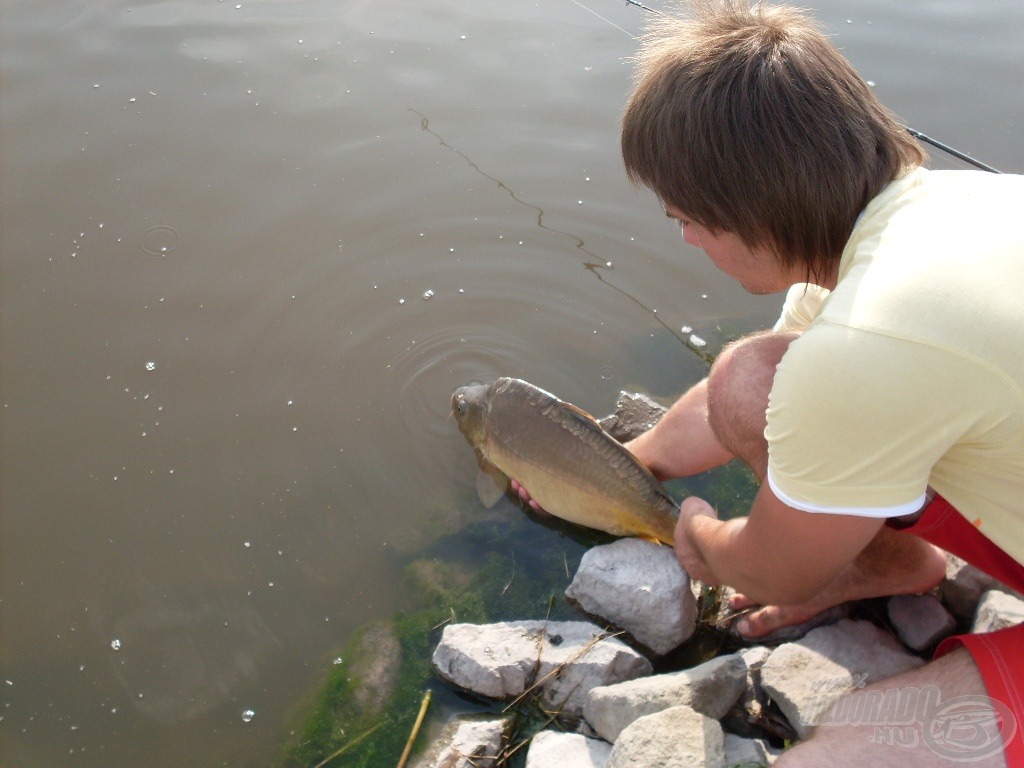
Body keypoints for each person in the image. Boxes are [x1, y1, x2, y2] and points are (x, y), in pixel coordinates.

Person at [515, 1, 1024, 764]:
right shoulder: (929, 216)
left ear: (752, 212)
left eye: (685, 217)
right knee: (753, 376)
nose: (683, 237)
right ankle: (896, 569)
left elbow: (772, 568)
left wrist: (700, 538)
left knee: (839, 748)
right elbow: (747, 391)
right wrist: (628, 459)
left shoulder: (868, 340)